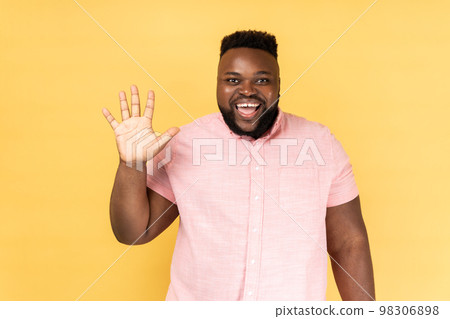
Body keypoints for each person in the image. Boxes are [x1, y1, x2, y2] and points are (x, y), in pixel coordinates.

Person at [102, 30, 375, 301]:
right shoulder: (184, 144)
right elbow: (134, 233)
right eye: (233, 79)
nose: (247, 90)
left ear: (279, 84)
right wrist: (131, 164)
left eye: (262, 80)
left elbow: (349, 244)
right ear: (218, 84)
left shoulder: (322, 144)